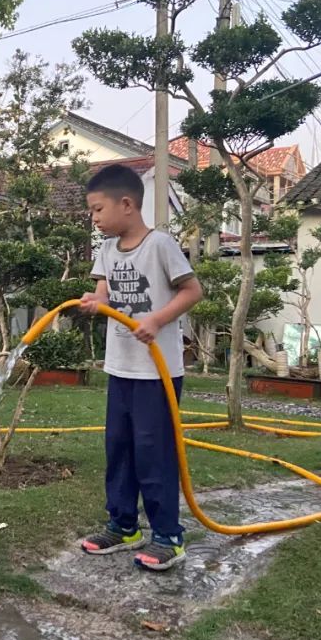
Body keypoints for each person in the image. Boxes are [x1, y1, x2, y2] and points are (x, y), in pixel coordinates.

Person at [79, 163, 203, 572]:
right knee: (118, 447)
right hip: (121, 368)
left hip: (157, 374)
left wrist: (157, 320)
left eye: (98, 210)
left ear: (127, 204)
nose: (94, 218)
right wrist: (95, 302)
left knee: (154, 452)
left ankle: (167, 536)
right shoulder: (107, 250)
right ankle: (123, 525)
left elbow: (192, 291)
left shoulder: (160, 245)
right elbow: (103, 293)